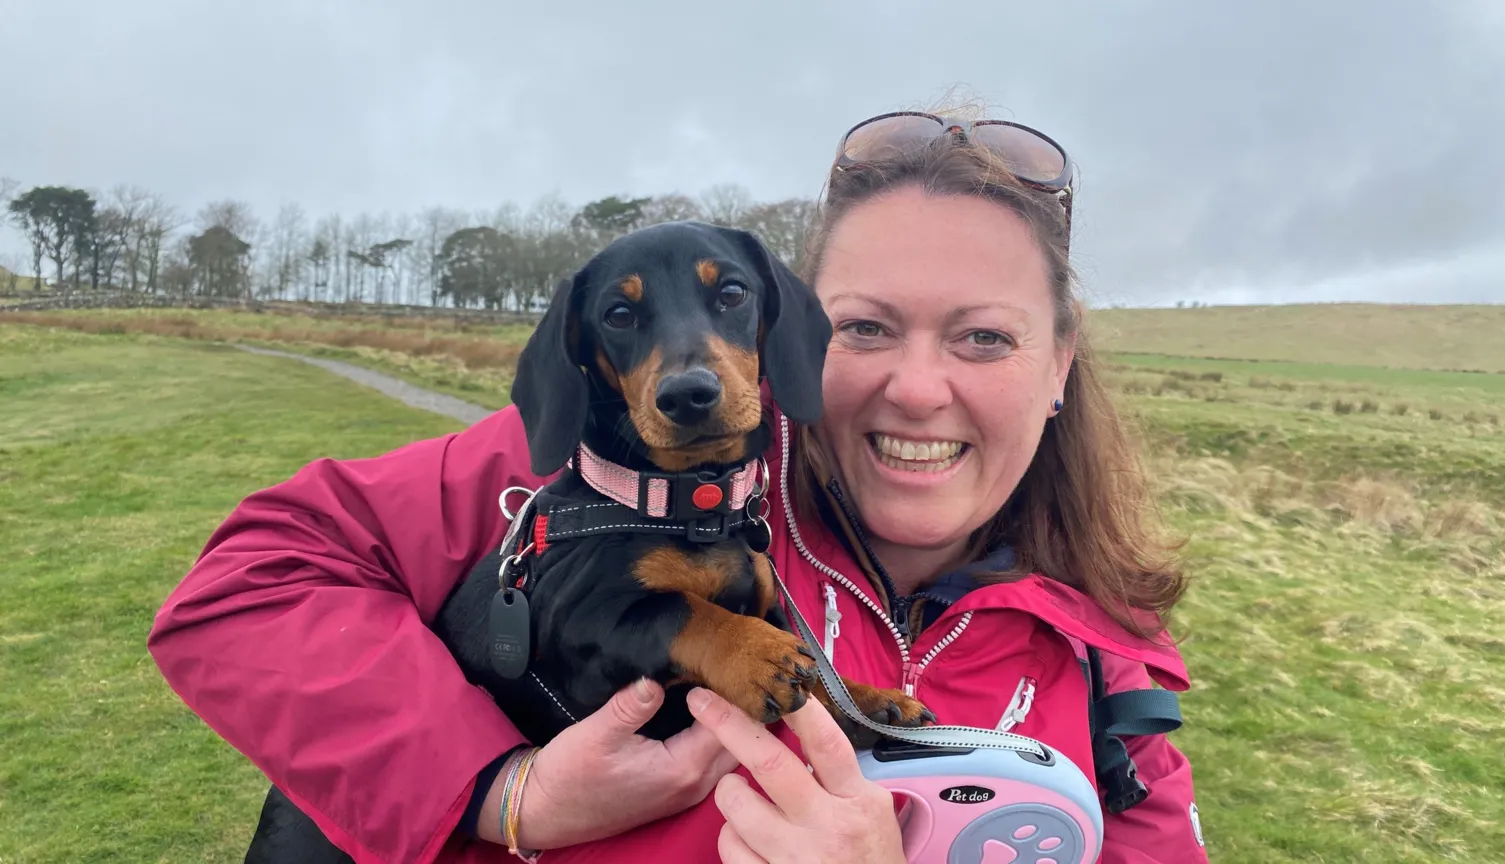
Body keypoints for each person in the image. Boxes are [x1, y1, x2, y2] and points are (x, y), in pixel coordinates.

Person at [148, 102, 1209, 864]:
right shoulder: (565, 478)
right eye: (866, 328)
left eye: (984, 337)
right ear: (801, 327)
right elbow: (245, 587)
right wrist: (496, 792)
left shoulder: (1118, 686)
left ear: (1061, 365)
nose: (916, 388)